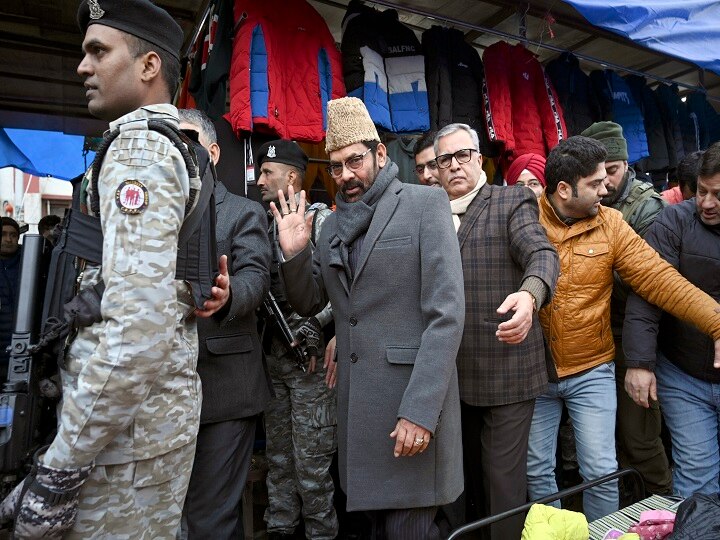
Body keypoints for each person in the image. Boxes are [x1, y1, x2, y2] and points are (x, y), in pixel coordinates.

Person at [0, 1, 229, 537]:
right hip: (137, 435)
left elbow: (134, 335)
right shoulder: (170, 148)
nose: (83, 67)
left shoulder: (140, 152)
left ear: (149, 66)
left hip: (122, 444)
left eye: (98, 51)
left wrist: (61, 464)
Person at [274, 96, 465, 540]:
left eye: (354, 161)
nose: (345, 175)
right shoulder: (335, 224)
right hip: (360, 416)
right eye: (336, 166)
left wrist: (420, 412)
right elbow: (309, 301)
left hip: (410, 408)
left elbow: (447, 316)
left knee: (411, 530)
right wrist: (296, 252)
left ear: (380, 154)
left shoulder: (424, 205)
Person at [527, 135, 720, 521]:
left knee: (599, 470)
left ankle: (604, 532)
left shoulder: (612, 223)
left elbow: (659, 280)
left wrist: (716, 322)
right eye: (597, 183)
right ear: (564, 189)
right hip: (534, 371)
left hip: (592, 368)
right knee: (536, 471)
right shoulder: (524, 217)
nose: (608, 187)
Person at [434, 124, 558, 539]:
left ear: (479, 157)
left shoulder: (510, 200)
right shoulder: (426, 210)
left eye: (463, 155)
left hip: (506, 366)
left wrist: (531, 294)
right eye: (444, 159)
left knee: (503, 488)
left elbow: (540, 252)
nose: (454, 166)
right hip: (448, 374)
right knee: (457, 484)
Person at [178, 109, 272, 538]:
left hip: (224, 390)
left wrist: (228, 293)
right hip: (164, 390)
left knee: (209, 518)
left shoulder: (242, 211)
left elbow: (256, 276)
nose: (179, 149)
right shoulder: (156, 211)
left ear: (213, 152)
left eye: (189, 139)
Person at [623, 142, 720, 497]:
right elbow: (647, 292)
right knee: (697, 476)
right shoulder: (674, 220)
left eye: (718, 195)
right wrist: (640, 362)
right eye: (703, 192)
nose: (707, 204)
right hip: (683, 374)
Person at [581, 121, 671, 497]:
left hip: (635, 339)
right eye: (598, 176)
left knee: (641, 438)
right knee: (607, 446)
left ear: (625, 164)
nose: (606, 183)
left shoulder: (649, 210)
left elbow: (648, 288)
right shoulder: (593, 206)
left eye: (612, 172)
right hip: (598, 338)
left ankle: (665, 513)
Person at [256, 139, 338, 540]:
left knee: (312, 466)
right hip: (275, 362)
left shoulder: (321, 221)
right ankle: (281, 528)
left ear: (292, 177)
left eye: (267, 173)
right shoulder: (261, 226)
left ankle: (322, 533)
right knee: (279, 462)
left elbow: (342, 288)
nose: (259, 180)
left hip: (312, 365)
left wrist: (316, 326)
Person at [0, 217, 21, 373]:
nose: (8, 239)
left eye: (13, 235)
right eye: (3, 234)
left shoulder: (31, 263)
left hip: (23, 351)